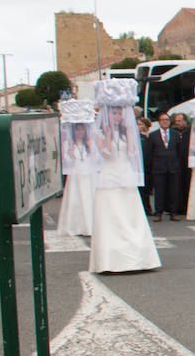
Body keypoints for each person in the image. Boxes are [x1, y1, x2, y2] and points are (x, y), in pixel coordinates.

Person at [89, 80, 161, 273]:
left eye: (120, 112)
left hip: (125, 174)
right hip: (109, 175)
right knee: (111, 214)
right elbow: (105, 153)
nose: (118, 115)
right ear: (106, 113)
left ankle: (138, 256)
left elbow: (132, 154)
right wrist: (110, 134)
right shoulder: (98, 131)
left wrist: (129, 135)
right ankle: (111, 259)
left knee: (130, 213)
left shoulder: (127, 132)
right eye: (114, 112)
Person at [57, 100, 100, 237]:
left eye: (82, 129)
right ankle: (75, 225)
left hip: (89, 174)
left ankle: (91, 224)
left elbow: (96, 159)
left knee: (90, 198)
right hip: (76, 175)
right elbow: (67, 161)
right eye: (77, 129)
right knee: (75, 200)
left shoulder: (90, 144)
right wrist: (69, 150)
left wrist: (91, 145)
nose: (80, 132)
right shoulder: (68, 144)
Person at [147, 111, 184, 221]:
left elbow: (179, 151)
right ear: (159, 122)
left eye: (167, 120)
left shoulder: (175, 134)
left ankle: (173, 212)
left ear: (170, 122)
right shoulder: (153, 135)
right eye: (162, 120)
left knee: (174, 191)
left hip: (173, 166)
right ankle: (158, 213)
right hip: (159, 167)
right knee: (159, 191)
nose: (165, 122)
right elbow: (150, 152)